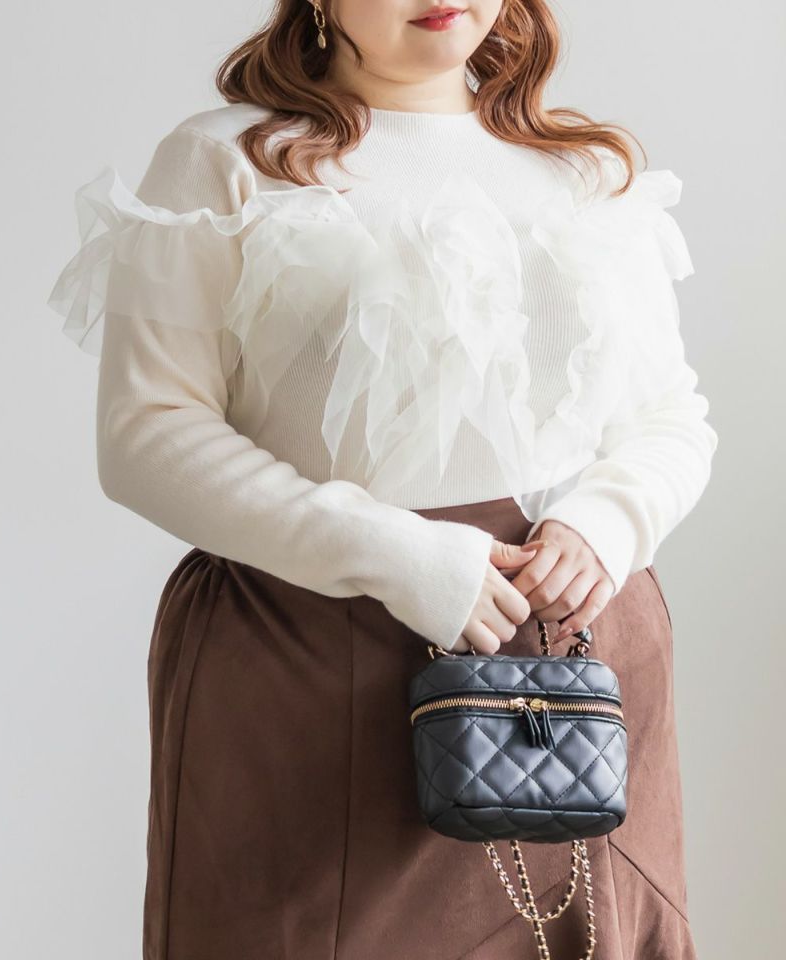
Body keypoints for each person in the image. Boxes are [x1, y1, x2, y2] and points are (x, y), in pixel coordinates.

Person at [46, 1, 718, 958]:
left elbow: (671, 415)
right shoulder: (229, 159)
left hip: (576, 659)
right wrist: (393, 553)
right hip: (314, 652)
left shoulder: (587, 168)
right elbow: (145, 433)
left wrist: (607, 522)